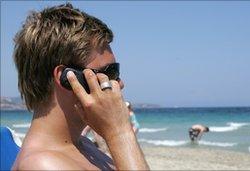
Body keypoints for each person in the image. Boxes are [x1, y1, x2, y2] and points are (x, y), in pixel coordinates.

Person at [12, 3, 149, 170]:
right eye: (110, 73)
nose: (119, 83)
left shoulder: (82, 146)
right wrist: (119, 133)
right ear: (67, 78)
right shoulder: (43, 164)